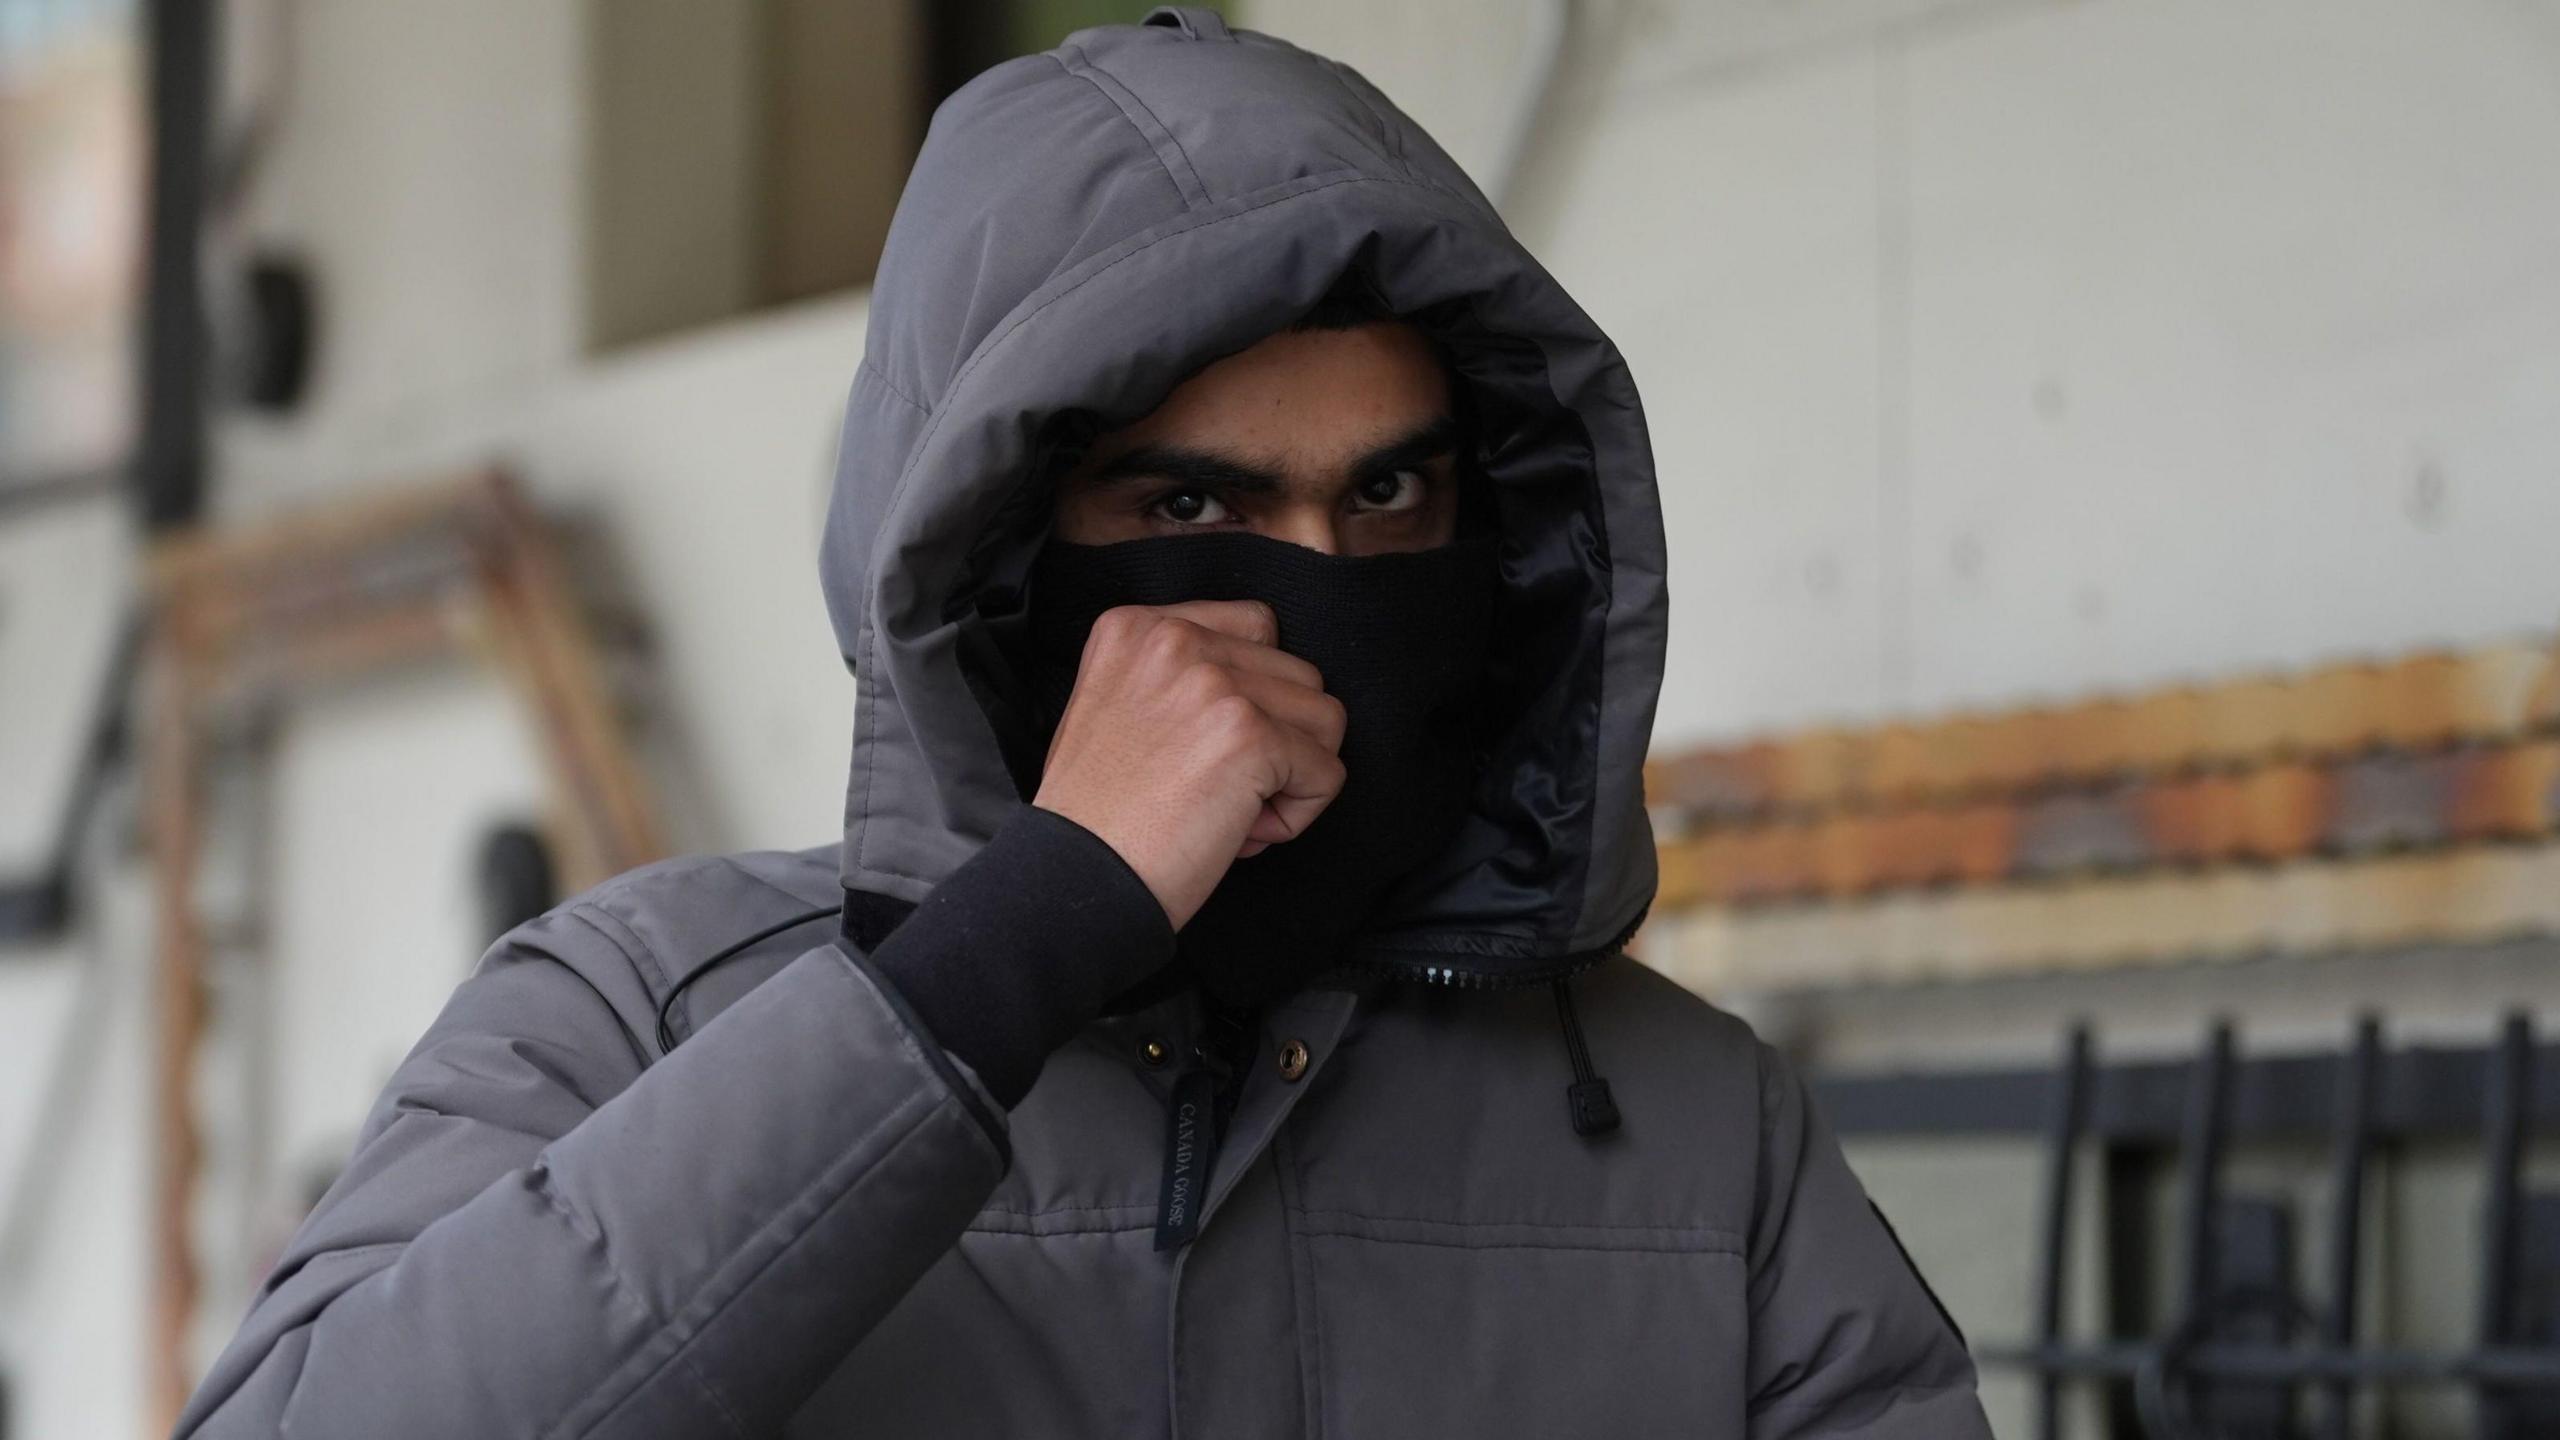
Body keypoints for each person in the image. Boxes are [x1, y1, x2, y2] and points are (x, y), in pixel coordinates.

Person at [175, 9, 1991, 1437]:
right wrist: (1010, 947)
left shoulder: (1688, 1130)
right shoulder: (631, 1021)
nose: (1315, 598)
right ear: (990, 560)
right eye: (1191, 516)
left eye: (1389, 503)